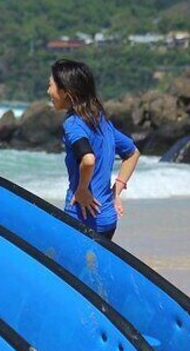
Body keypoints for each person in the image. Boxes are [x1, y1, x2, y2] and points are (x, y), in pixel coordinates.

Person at [48, 59, 140, 241]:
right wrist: (116, 192)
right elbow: (133, 153)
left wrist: (82, 190)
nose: (48, 92)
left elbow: (88, 159)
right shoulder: (101, 121)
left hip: (81, 217)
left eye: (50, 86)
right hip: (107, 218)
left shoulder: (73, 124)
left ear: (66, 92)